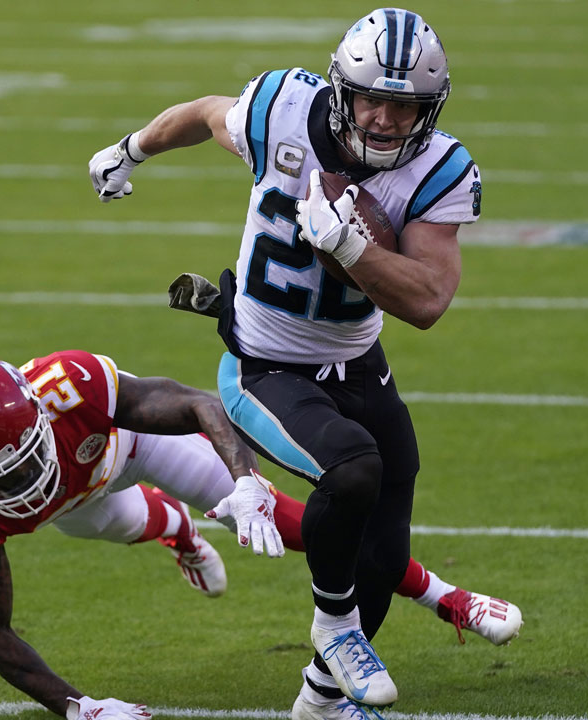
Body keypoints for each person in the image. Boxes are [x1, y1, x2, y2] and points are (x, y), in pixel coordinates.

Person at [87, 8, 491, 719]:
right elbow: (206, 113)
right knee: (354, 467)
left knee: (386, 547)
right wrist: (132, 148)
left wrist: (354, 250)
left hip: (357, 363)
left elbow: (429, 300)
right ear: (341, 88)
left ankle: (320, 698)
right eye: (371, 97)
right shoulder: (283, 106)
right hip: (263, 365)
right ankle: (334, 627)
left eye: (405, 105)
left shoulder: (439, 167)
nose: (386, 119)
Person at [0, 351, 519, 720]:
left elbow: (200, 405)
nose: (24, 480)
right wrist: (79, 707)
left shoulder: (68, 386)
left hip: (133, 447)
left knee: (298, 525)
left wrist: (245, 481)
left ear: (39, 417)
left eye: (24, 458)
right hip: (78, 502)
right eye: (1, 475)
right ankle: (176, 528)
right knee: (127, 522)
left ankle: (443, 597)